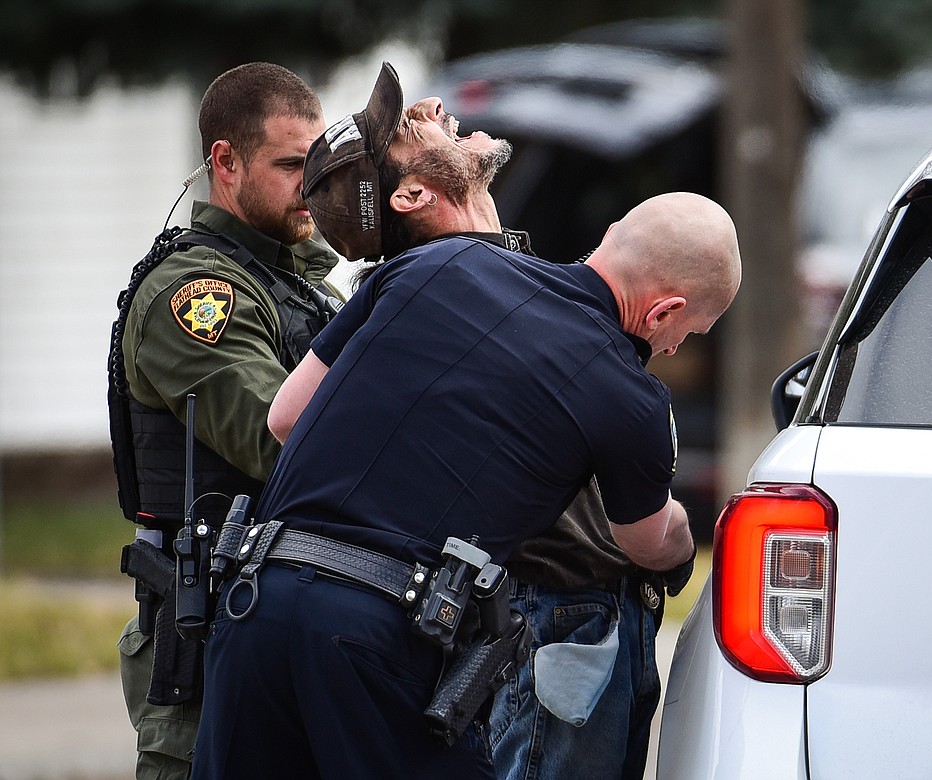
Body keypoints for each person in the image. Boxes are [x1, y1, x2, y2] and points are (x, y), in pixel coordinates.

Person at [191, 61, 741, 780]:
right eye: (687, 333)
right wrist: (681, 543)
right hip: (387, 629)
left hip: (256, 597)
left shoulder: (424, 275)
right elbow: (644, 540)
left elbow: (287, 417)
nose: (434, 108)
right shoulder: (617, 382)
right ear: (666, 312)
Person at [108, 62, 340, 780]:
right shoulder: (195, 294)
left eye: (320, 165)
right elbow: (287, 441)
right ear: (226, 162)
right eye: (292, 165)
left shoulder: (306, 284)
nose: (313, 187)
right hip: (207, 637)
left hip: (280, 623)